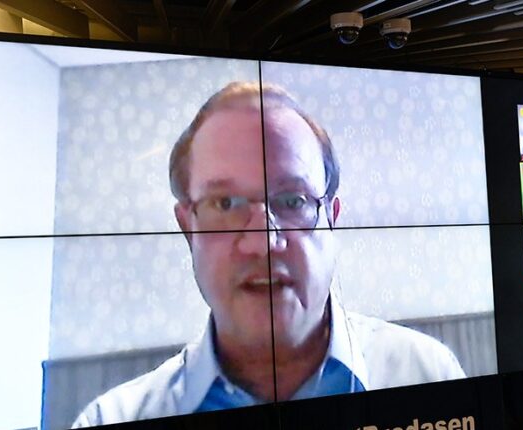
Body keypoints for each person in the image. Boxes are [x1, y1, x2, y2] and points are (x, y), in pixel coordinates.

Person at [72, 82, 465, 427]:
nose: (263, 243)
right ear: (188, 227)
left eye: (293, 200)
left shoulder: (428, 375)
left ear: (332, 219)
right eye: (225, 203)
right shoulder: (112, 418)